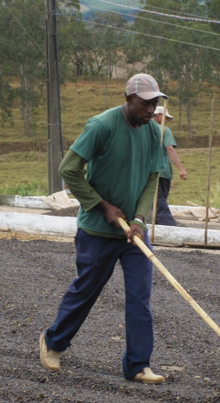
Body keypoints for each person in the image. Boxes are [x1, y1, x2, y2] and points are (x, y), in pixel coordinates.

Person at [39, 73, 168, 384]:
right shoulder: (102, 126)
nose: (151, 110)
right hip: (98, 230)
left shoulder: (154, 133)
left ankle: (137, 364)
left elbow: (153, 178)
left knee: (140, 295)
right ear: (128, 100)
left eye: (155, 103)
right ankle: (53, 342)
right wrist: (103, 206)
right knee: (87, 291)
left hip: (133, 233)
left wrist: (138, 220)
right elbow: (68, 169)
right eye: (145, 103)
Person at [152, 106, 187, 226]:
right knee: (159, 200)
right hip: (161, 171)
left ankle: (154, 224)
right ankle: (170, 226)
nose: (166, 121)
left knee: (150, 200)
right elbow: (169, 149)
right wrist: (181, 169)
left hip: (144, 171)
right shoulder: (164, 130)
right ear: (157, 116)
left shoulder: (141, 129)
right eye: (165, 118)